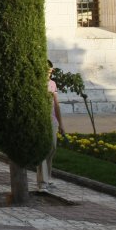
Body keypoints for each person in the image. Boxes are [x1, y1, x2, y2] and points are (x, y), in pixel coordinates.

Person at [38, 60, 66, 190]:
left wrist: (61, 124)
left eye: (50, 72)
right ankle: (42, 182)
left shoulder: (52, 84)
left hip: (52, 121)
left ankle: (48, 178)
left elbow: (56, 105)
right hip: (41, 121)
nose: (49, 74)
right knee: (43, 150)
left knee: (52, 149)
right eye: (47, 72)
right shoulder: (37, 84)